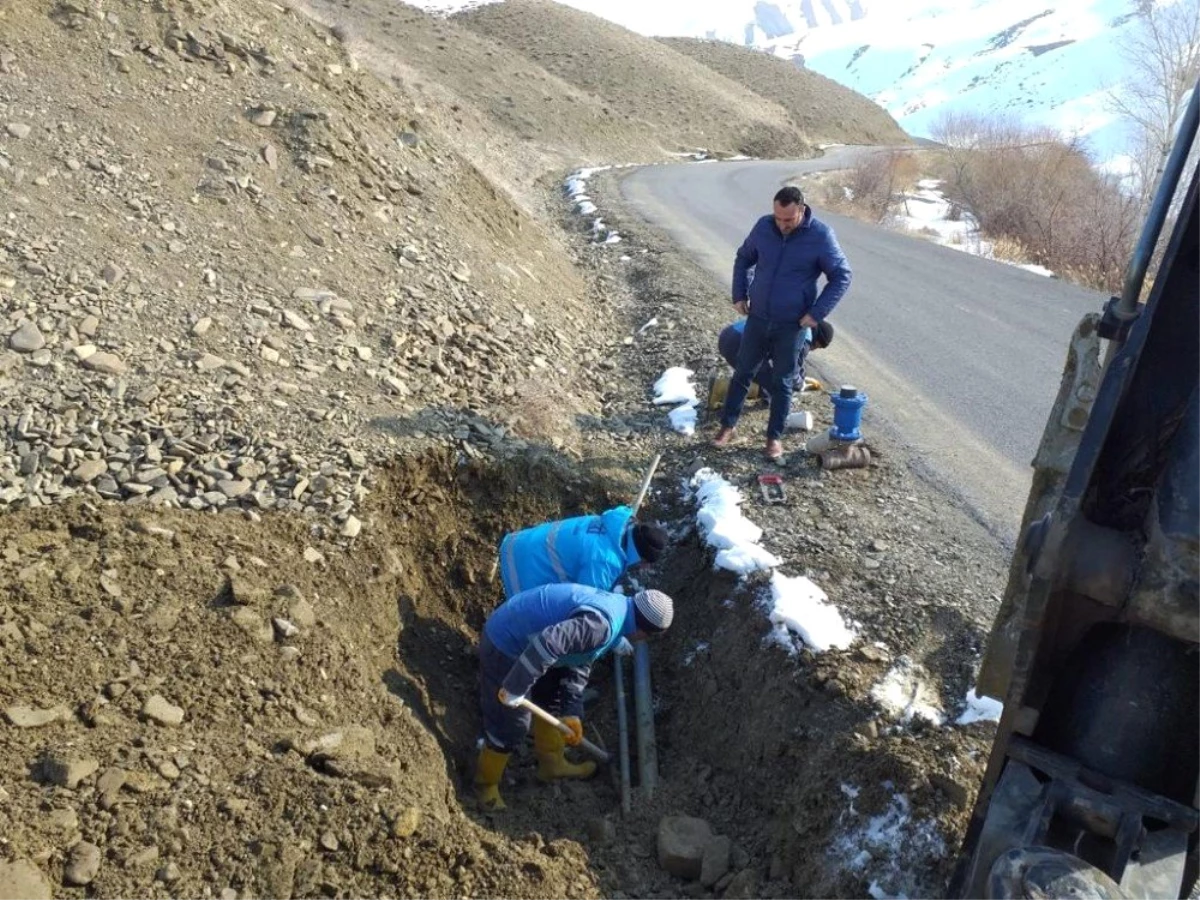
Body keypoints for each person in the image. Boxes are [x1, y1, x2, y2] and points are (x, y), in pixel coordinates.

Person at [474, 583, 675, 810]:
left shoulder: (618, 610)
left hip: (528, 639)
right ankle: (485, 786)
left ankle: (552, 765)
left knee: (551, 698)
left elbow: (580, 660)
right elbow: (550, 642)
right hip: (505, 642)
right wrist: (515, 686)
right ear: (643, 631)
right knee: (512, 724)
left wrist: (572, 712)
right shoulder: (602, 625)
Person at [714, 186, 851, 460]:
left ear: (801, 209)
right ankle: (727, 427)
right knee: (743, 373)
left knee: (783, 382)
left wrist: (816, 313)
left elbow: (841, 276)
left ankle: (773, 439)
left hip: (792, 324)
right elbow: (744, 257)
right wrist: (739, 293)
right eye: (778, 218)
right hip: (758, 316)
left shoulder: (820, 236)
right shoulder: (764, 227)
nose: (782, 224)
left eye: (788, 219)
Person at [497, 505, 668, 600]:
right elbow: (585, 608)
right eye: (645, 562)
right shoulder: (605, 562)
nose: (644, 568)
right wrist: (615, 640)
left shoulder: (614, 525)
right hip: (519, 574)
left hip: (517, 543)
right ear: (639, 554)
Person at [716, 316, 834, 404]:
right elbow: (792, 372)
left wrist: (800, 376)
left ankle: (733, 389)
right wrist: (799, 385)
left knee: (765, 375)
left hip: (728, 335)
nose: (813, 350)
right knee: (780, 389)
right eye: (816, 347)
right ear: (817, 338)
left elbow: (791, 361)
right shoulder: (804, 337)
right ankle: (721, 389)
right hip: (738, 344)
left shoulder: (799, 320)